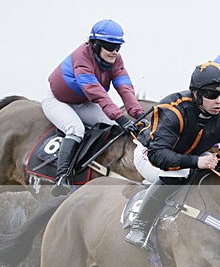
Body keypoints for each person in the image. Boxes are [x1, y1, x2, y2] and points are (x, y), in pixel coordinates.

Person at [127, 61, 220, 248]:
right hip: (150, 154)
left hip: (190, 154)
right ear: (196, 94)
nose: (219, 101)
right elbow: (158, 155)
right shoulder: (174, 109)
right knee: (179, 174)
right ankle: (140, 225)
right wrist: (196, 162)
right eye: (212, 94)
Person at [43, 19, 146, 196]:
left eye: (118, 47)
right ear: (95, 44)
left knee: (112, 127)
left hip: (82, 103)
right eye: (109, 46)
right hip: (58, 100)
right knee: (75, 129)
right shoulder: (82, 58)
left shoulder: (116, 60)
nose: (114, 52)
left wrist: (137, 114)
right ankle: (62, 178)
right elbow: (97, 93)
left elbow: (124, 87)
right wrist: (120, 117)